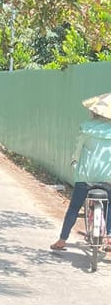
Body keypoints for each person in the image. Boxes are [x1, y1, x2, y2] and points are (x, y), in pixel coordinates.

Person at [51, 94, 111, 251]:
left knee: (74, 208)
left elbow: (77, 152)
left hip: (85, 177)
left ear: (94, 112)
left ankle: (62, 240)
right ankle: (110, 238)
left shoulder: (86, 128)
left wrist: (74, 162)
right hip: (108, 178)